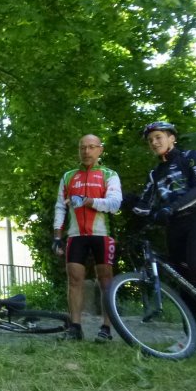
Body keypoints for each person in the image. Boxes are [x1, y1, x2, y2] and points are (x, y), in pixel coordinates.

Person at [53, 134, 122, 342]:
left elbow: (114, 204)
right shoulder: (68, 176)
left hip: (102, 234)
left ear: (100, 150)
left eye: (91, 147)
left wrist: (87, 201)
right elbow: (60, 207)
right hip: (76, 235)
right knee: (74, 279)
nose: (86, 151)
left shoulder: (109, 174)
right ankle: (75, 327)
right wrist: (57, 236)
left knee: (106, 280)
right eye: (83, 147)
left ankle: (106, 328)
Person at [132, 121, 196, 315]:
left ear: (172, 138)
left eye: (158, 137)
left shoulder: (190, 157)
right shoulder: (155, 174)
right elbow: (143, 205)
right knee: (184, 280)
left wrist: (171, 207)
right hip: (174, 226)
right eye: (150, 140)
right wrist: (116, 200)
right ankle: (188, 338)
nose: (154, 142)